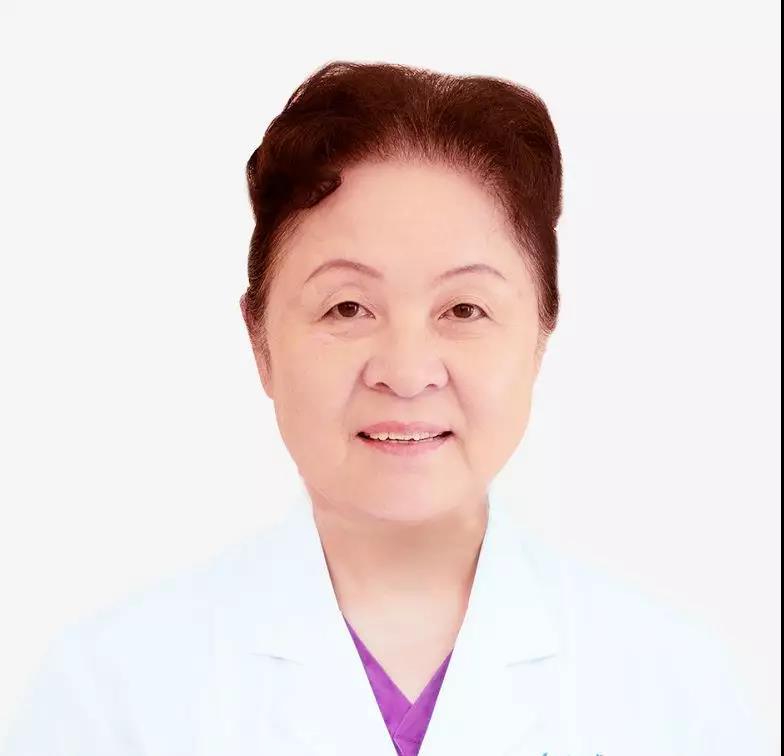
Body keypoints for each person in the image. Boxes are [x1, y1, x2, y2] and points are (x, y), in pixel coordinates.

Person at [2, 60, 769, 756]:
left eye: (464, 309)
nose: (406, 373)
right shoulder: (112, 695)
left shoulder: (674, 694)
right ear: (260, 341)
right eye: (346, 308)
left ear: (540, 336)